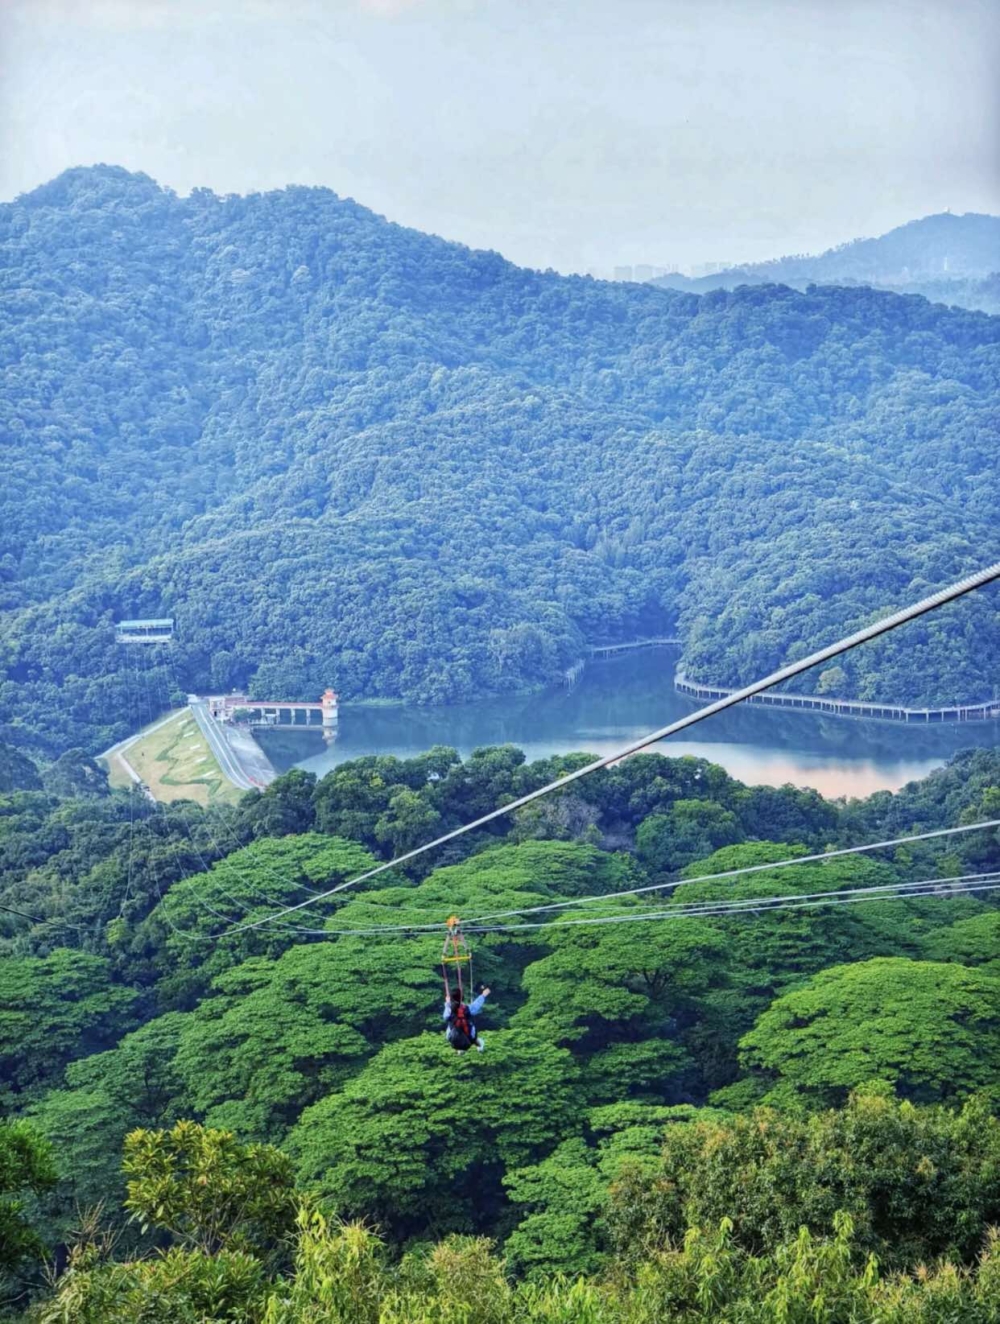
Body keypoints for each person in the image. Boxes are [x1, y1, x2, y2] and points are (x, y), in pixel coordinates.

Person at [443, 985, 490, 1052]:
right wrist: (483, 995)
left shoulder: (449, 1009)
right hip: (469, 1035)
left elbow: (446, 1016)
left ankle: (461, 1047)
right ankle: (479, 1045)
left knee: (450, 1031)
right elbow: (476, 1005)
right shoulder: (467, 1008)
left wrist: (447, 1003)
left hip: (453, 1035)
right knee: (474, 1037)